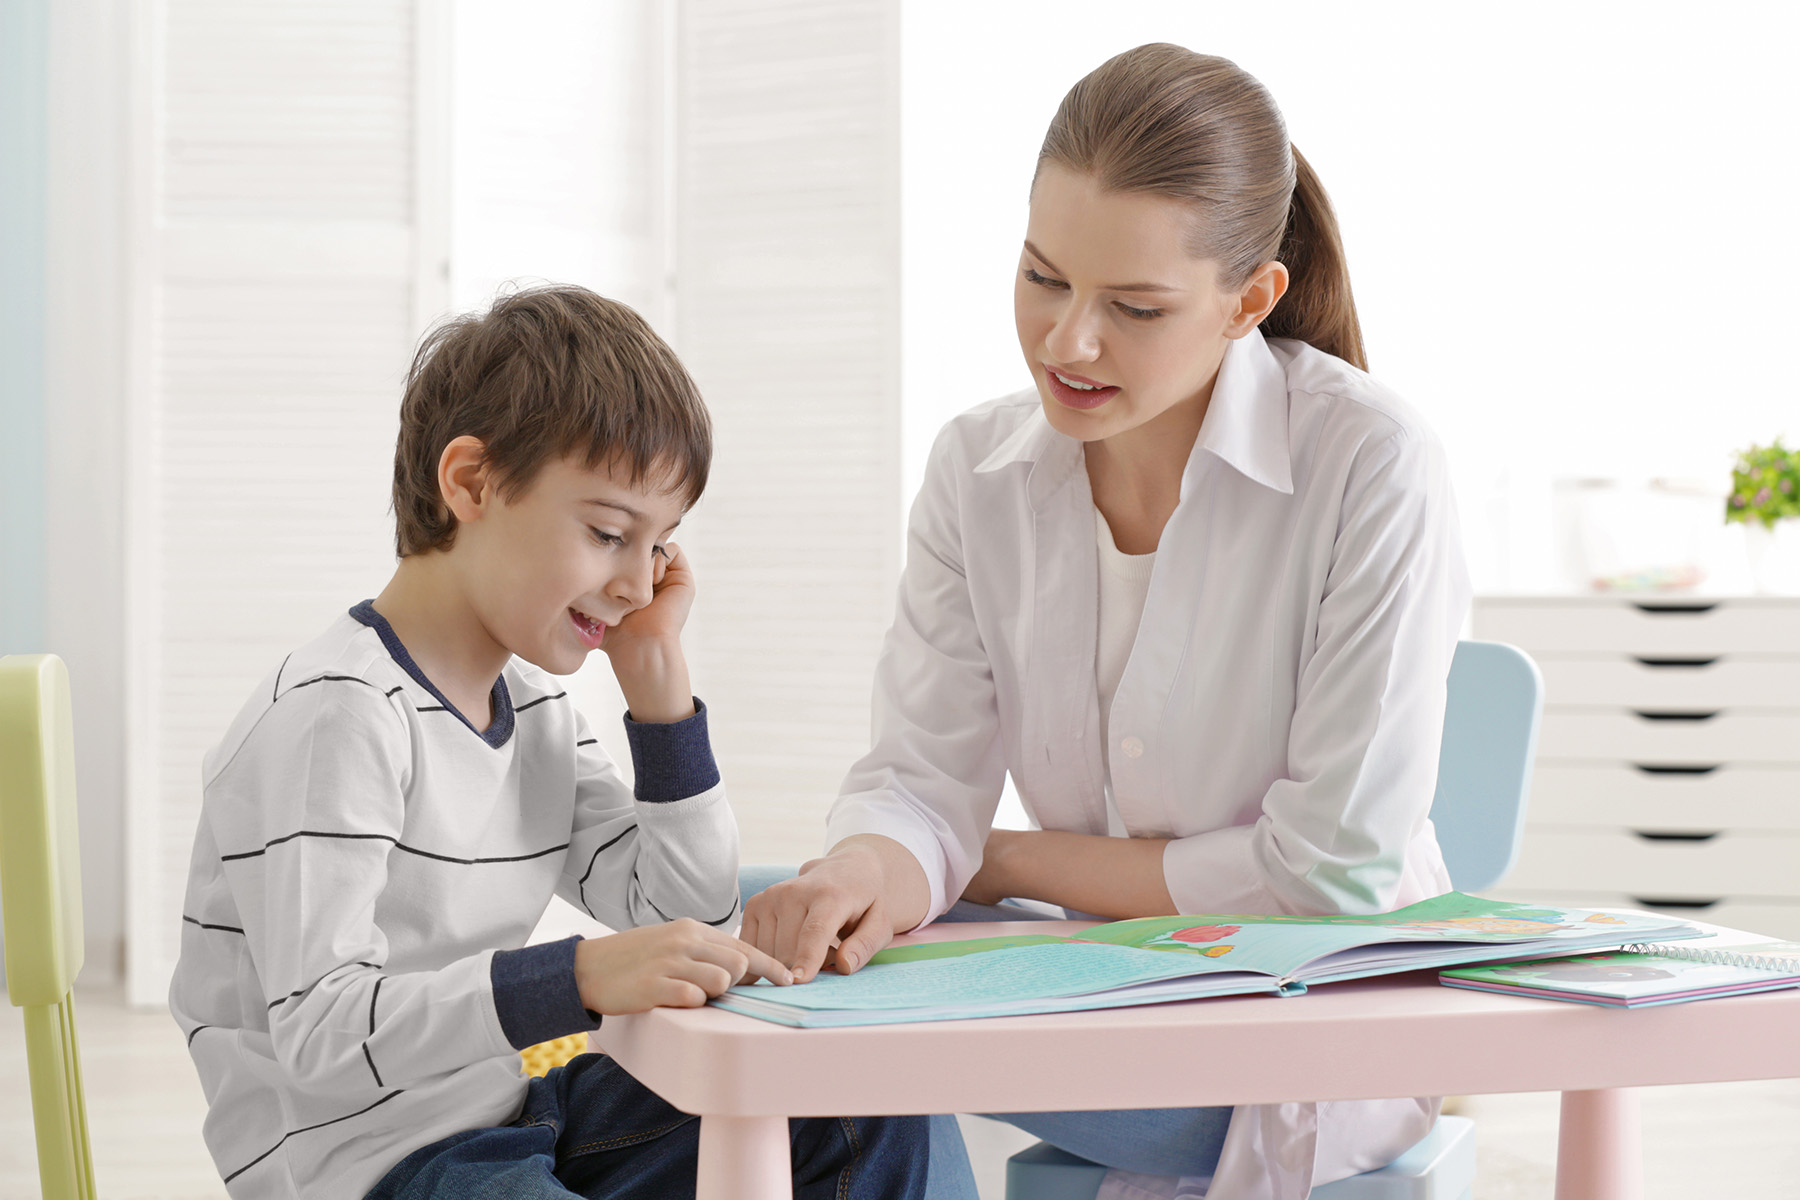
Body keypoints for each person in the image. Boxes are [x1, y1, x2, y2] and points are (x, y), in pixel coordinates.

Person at [741, 43, 1471, 1200]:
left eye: (1134, 306)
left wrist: (993, 859)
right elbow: (921, 778)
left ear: (1251, 300)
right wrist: (877, 863)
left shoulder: (1370, 465)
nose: (1066, 342)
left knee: (801, 1032)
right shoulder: (978, 471)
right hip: (1101, 982)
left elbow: (1329, 879)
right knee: (777, 910)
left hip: (1305, 1025)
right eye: (1043, 277)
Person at [168, 285, 930, 1200]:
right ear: (471, 483)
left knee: (852, 1104)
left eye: (660, 548)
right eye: (610, 533)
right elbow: (323, 1036)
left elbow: (677, 908)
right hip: (364, 1168)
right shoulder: (337, 715)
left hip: (503, 1120)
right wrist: (573, 976)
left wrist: (659, 688)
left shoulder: (530, 710)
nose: (638, 586)